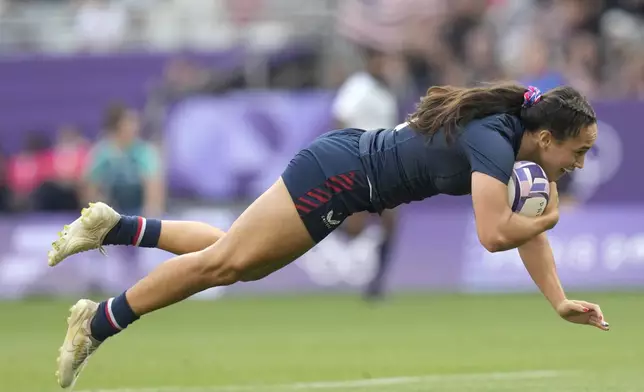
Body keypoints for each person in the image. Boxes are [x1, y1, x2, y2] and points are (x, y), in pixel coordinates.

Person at [49, 83, 610, 389]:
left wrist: (557, 299)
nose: (580, 164)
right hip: (342, 177)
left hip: (345, 165)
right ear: (545, 136)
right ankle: (97, 322)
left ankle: (114, 226)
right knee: (224, 264)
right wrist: (549, 217)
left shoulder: (513, 145)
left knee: (236, 255)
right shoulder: (494, 141)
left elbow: (520, 231)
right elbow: (495, 234)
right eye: (578, 151)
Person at [331, 44, 399, 300]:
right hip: (360, 162)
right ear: (372, 62)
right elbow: (339, 117)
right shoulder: (358, 86)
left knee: (391, 221)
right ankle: (318, 225)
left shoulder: (386, 91)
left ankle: (376, 283)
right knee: (354, 228)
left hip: (384, 165)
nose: (389, 67)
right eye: (384, 61)